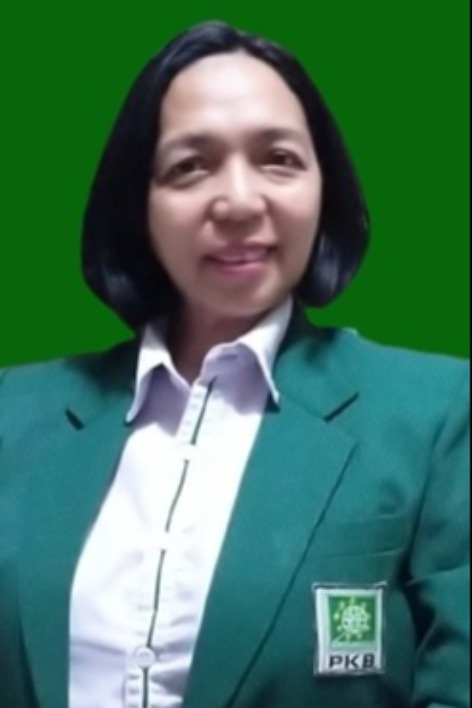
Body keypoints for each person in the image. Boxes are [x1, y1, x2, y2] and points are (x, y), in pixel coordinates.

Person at [0, 20, 469, 708]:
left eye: (278, 159)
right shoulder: (14, 414)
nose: (240, 203)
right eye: (190, 166)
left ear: (324, 187)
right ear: (139, 203)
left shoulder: (436, 413)